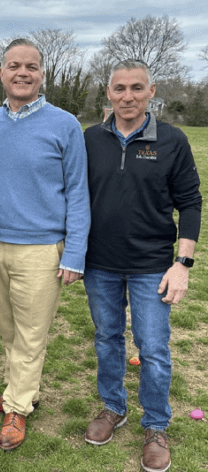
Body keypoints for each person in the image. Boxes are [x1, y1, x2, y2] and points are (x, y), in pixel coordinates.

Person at [81, 60, 201, 472]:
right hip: (99, 264)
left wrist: (182, 263)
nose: (127, 96)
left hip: (153, 265)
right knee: (107, 338)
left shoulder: (172, 140)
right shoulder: (90, 139)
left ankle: (155, 424)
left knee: (153, 348)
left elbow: (190, 202)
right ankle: (113, 408)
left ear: (152, 90)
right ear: (108, 92)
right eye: (119, 89)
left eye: (136, 88)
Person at [0, 39, 90, 450]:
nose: (23, 73)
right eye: (14, 65)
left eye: (32, 67)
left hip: (42, 249)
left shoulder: (65, 125)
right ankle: (19, 391)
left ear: (43, 74)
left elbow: (78, 193)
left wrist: (75, 252)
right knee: (8, 329)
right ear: (1, 73)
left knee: (31, 334)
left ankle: (18, 408)